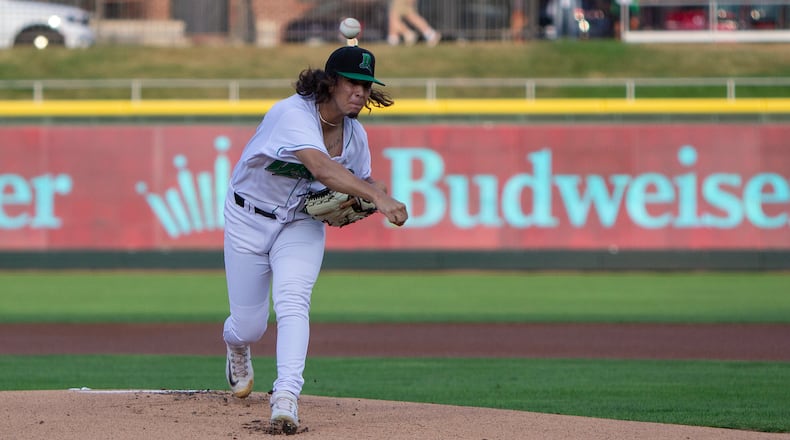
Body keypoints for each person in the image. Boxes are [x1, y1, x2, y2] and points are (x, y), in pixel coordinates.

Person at [221, 45, 408, 434]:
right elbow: (322, 168)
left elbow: (364, 180)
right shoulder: (292, 114)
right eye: (353, 83)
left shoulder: (356, 135)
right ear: (329, 83)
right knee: (250, 325)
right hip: (248, 216)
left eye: (367, 85)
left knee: (293, 301)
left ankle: (286, 396)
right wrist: (377, 196)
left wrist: (376, 189)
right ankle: (236, 344)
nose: (360, 92)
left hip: (300, 222)